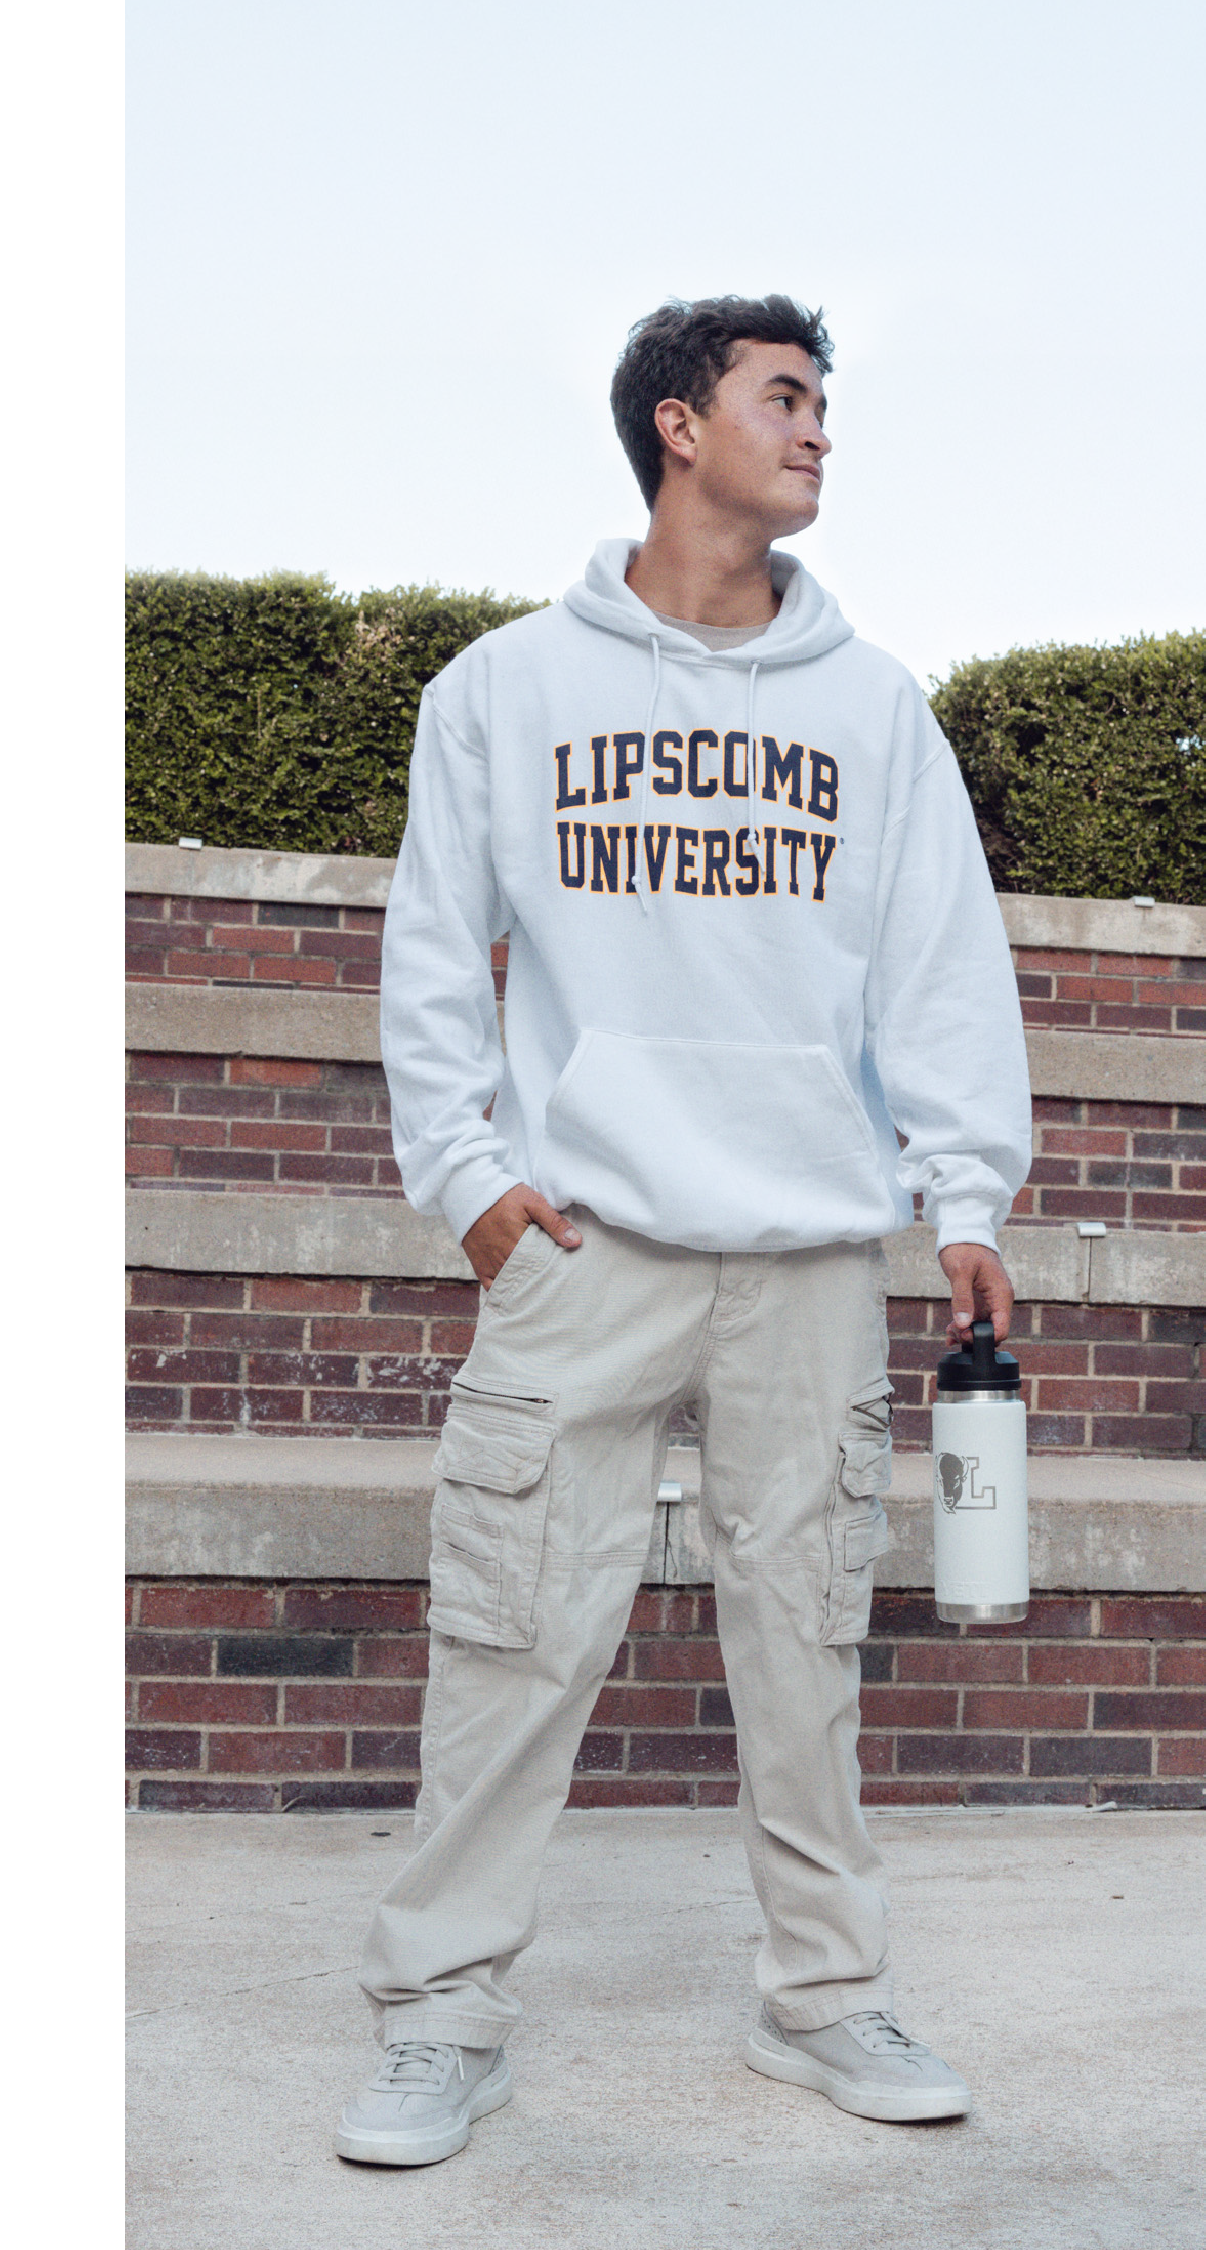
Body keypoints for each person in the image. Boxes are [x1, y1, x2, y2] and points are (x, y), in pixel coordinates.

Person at [338, 297, 1029, 2165]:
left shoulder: (874, 707)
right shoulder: (504, 689)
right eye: (784, 399)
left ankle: (825, 1996)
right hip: (587, 1243)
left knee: (803, 1642)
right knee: (511, 1632)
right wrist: (472, 1185)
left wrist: (965, 1194)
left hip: (808, 1246)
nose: (819, 434)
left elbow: (942, 968)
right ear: (677, 426)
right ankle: (442, 2013)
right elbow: (429, 957)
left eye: (824, 403)